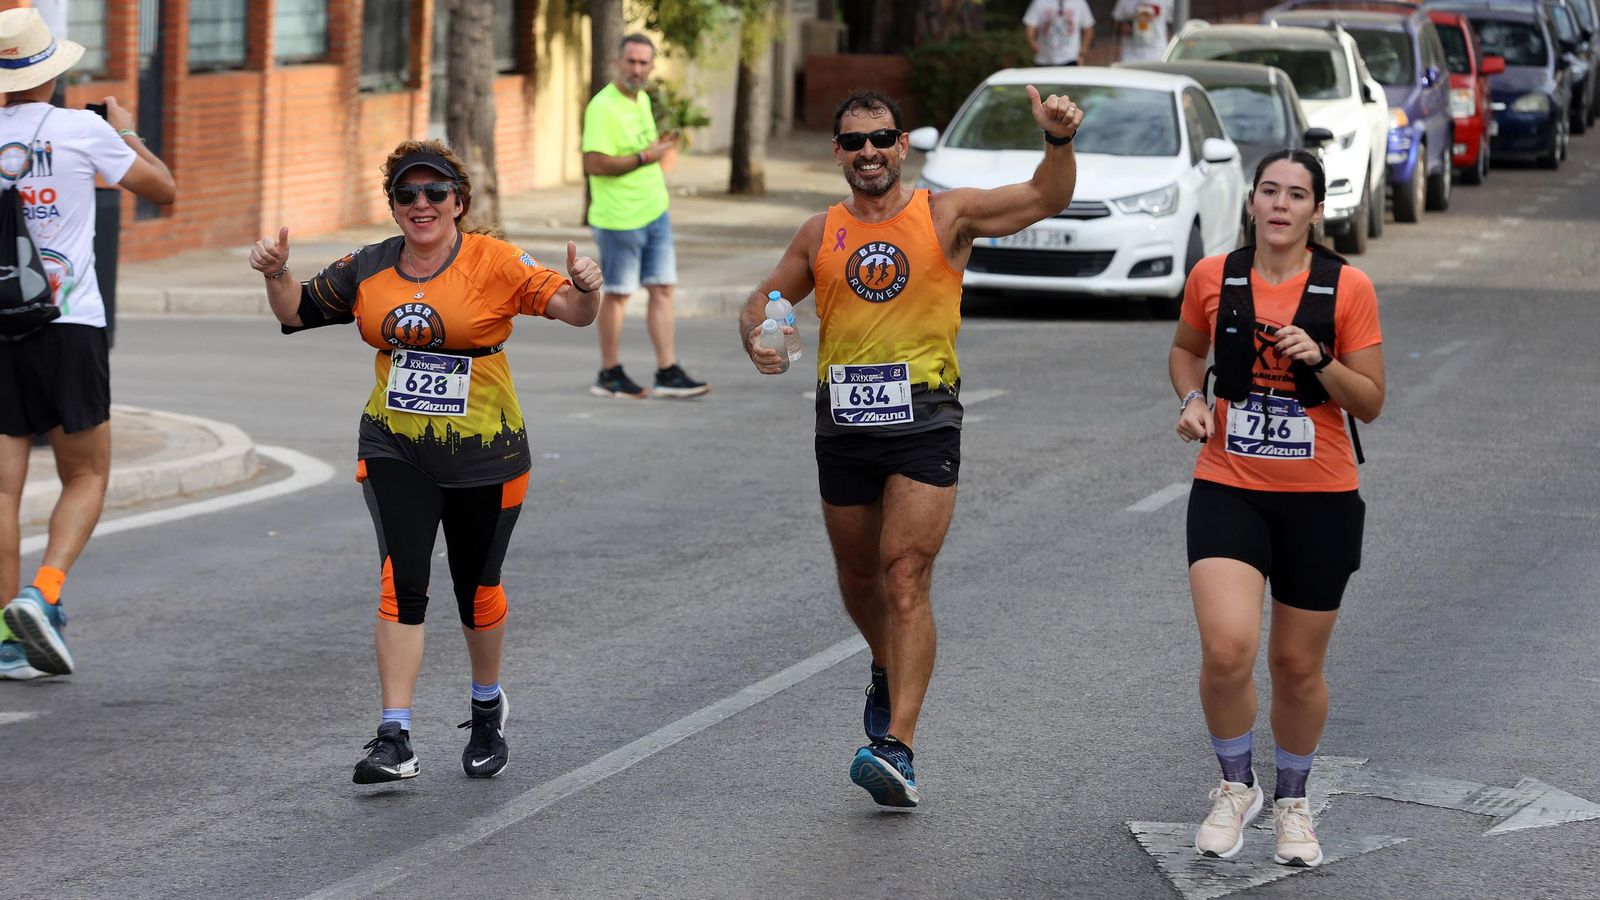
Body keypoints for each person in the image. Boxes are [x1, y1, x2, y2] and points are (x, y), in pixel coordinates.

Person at [738, 88, 1084, 807]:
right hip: (843, 422)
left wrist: (1056, 142)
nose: (869, 151)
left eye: (882, 138)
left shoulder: (944, 215)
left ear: (902, 147)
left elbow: (1044, 198)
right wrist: (761, 339)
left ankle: (897, 744)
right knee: (859, 581)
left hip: (925, 416)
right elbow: (762, 302)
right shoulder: (817, 233)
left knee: (904, 574)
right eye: (854, 141)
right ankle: (883, 661)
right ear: (838, 152)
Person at [248, 140, 603, 784]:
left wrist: (587, 290)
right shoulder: (370, 266)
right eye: (407, 195)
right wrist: (275, 272)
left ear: (459, 202)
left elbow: (574, 314)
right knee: (400, 581)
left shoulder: (495, 262)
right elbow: (297, 309)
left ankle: (487, 707)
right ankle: (395, 736)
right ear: (393, 207)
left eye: (435, 192)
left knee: (477, 588)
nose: (422, 205)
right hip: (394, 444)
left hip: (487, 452)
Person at [1168, 149, 1384, 867]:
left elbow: (1372, 403)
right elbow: (1183, 351)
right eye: (1270, 191)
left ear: (1317, 210)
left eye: (1297, 194)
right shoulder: (1214, 277)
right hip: (1228, 484)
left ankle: (1293, 800)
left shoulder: (1346, 288)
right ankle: (1236, 786)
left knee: (1295, 666)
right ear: (1253, 201)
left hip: (1319, 500)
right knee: (1227, 648)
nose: (1282, 205)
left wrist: (1321, 359)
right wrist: (1193, 399)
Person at [0, 7, 176, 681]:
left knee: (3, 492)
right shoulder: (80, 129)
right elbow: (164, 188)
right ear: (52, 70)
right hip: (67, 323)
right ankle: (41, 594)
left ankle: (8, 644)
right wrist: (123, 126)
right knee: (87, 473)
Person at [582, 33, 708, 400]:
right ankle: (609, 373)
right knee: (619, 294)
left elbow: (651, 153)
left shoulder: (641, 100)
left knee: (663, 289)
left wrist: (661, 153)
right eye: (631, 61)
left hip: (655, 211)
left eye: (643, 62)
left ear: (651, 67)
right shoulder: (602, 106)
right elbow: (593, 163)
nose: (637, 68)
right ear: (617, 63)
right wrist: (644, 157)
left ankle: (667, 371)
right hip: (620, 217)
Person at [1023, 0, 1096, 66]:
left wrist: (1082, 53)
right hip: (1044, 59)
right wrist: (1032, 42)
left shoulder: (1079, 3)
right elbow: (1030, 25)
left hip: (1071, 59)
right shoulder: (1039, 2)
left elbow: (1088, 28)